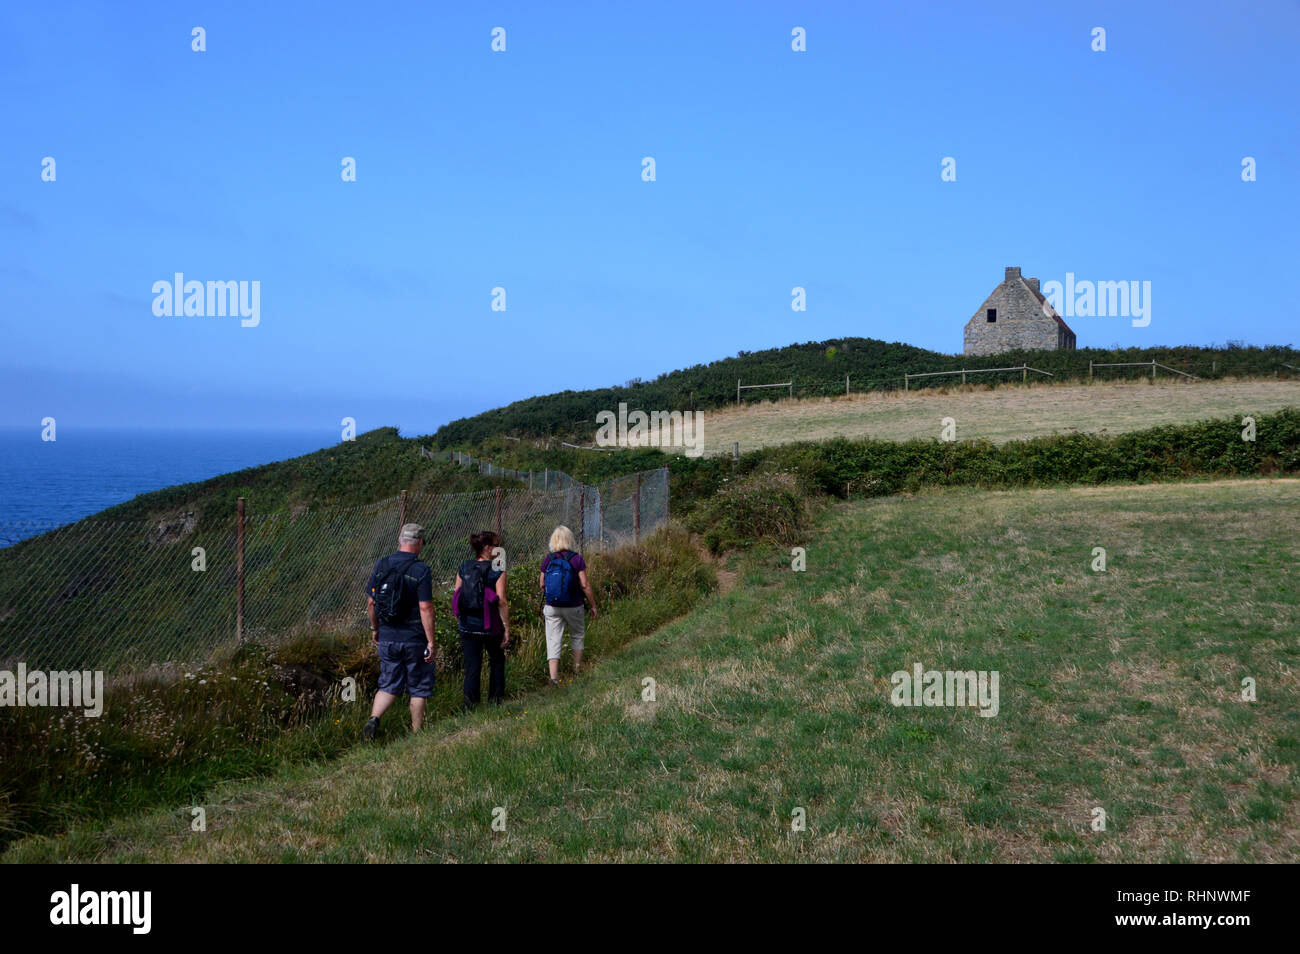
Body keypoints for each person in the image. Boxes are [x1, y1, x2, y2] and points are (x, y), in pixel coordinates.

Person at [363, 523, 435, 739]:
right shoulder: (421, 570)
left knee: (388, 684)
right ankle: (416, 733)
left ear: (399, 539)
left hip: (387, 636)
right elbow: (425, 607)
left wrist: (376, 629)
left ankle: (374, 719)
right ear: (420, 542)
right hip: (414, 638)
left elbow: (370, 602)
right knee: (418, 685)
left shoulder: (382, 565)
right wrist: (430, 641)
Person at [454, 530, 511, 710]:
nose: (499, 548)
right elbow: (501, 600)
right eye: (496, 544)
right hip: (491, 625)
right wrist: (506, 627)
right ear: (487, 548)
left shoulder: (464, 567)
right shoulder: (497, 570)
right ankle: (495, 702)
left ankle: (470, 706)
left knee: (472, 667)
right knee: (496, 661)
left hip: (468, 625)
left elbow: (457, 595)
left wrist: (460, 620)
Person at [539, 525, 597, 686]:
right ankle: (577, 668)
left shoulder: (548, 559)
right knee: (577, 634)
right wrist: (593, 605)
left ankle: (553, 677)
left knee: (553, 639)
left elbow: (542, 584)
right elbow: (585, 584)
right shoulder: (576, 558)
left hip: (552, 606)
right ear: (570, 540)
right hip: (574, 605)